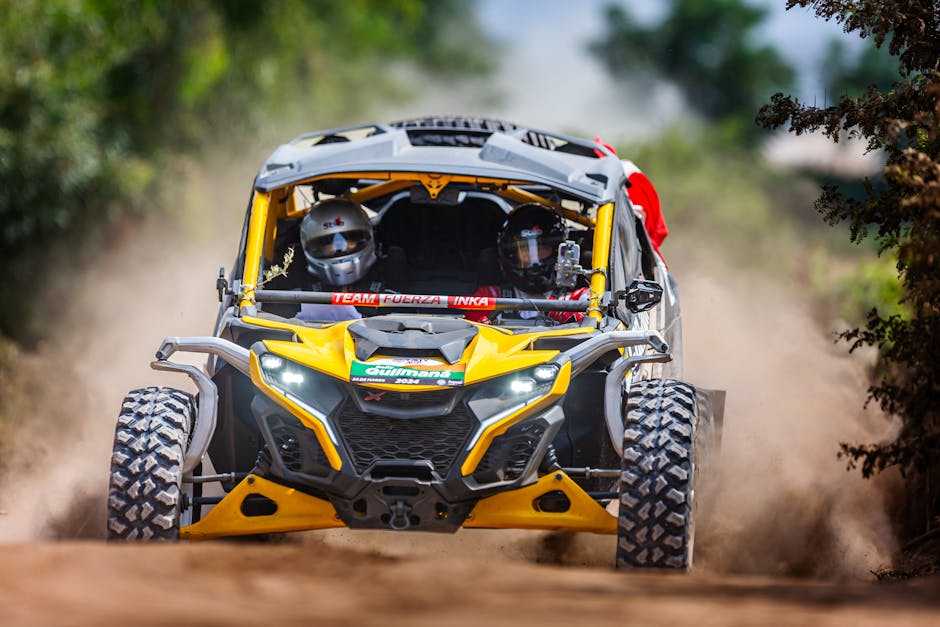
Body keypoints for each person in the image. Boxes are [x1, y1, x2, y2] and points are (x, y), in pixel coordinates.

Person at [466, 203, 589, 324]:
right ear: (512, 255)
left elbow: (595, 323)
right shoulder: (489, 298)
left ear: (558, 252)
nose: (534, 258)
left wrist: (565, 312)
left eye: (541, 248)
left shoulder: (578, 299)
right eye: (525, 249)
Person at [296, 198, 380, 321]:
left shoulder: (393, 285)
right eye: (328, 242)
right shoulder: (296, 297)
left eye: (349, 238)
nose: (339, 247)